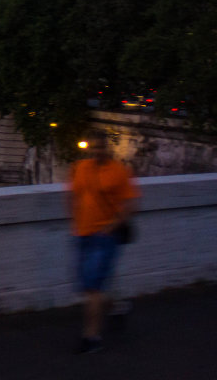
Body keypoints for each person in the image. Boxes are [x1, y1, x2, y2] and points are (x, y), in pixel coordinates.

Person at [66, 130, 139, 353]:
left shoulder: (119, 171)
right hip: (82, 234)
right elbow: (73, 196)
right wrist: (75, 222)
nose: (97, 151)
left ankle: (92, 337)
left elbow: (130, 204)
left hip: (105, 237)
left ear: (107, 148)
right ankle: (117, 307)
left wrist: (110, 228)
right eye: (94, 148)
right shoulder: (79, 168)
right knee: (87, 286)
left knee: (92, 287)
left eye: (101, 147)